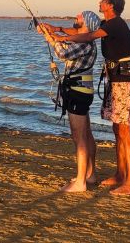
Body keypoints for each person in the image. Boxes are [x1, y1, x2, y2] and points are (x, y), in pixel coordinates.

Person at [43, 0, 130, 195]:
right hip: (115, 79)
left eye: (103, 0)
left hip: (124, 80)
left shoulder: (115, 23)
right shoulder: (107, 24)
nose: (99, 2)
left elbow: (87, 35)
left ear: (111, 5)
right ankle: (121, 175)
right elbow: (82, 31)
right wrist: (57, 29)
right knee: (117, 129)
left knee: (125, 130)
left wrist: (56, 36)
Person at [38, 10, 102, 193]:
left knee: (79, 137)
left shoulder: (86, 44)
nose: (77, 16)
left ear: (87, 23)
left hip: (78, 92)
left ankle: (80, 182)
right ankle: (90, 174)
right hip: (81, 91)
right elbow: (65, 41)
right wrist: (50, 33)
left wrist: (51, 38)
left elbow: (63, 54)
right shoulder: (83, 40)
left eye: (80, 16)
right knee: (87, 134)